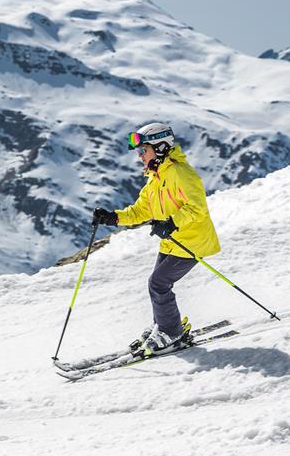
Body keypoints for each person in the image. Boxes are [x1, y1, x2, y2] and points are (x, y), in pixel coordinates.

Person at [92, 122, 221, 357]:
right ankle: (163, 326)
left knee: (158, 283)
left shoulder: (181, 173)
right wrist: (112, 218)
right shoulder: (155, 177)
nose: (140, 156)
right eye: (140, 152)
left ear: (161, 147)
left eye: (144, 151)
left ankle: (170, 332)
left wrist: (171, 223)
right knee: (157, 284)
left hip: (192, 240)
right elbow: (141, 210)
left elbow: (197, 208)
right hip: (172, 241)